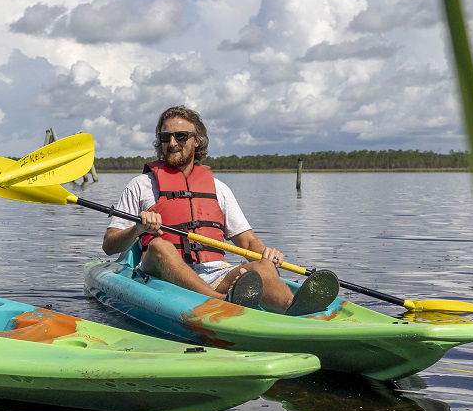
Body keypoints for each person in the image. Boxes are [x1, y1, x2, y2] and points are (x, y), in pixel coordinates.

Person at [101, 105, 338, 316]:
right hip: (161, 274)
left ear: (197, 141)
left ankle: (294, 310)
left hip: (215, 275)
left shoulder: (218, 189)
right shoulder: (140, 185)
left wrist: (268, 255)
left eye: (180, 136)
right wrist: (138, 228)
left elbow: (247, 243)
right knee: (159, 245)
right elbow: (110, 245)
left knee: (262, 267)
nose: (172, 143)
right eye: (166, 137)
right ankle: (220, 302)